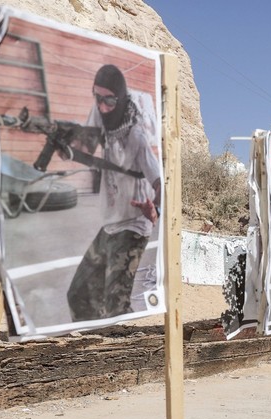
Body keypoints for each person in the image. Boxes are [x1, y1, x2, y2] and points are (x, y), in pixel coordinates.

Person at [66, 64, 162, 321]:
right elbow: (85, 146)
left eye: (109, 99)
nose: (102, 106)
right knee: (78, 295)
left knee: (116, 305)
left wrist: (155, 208)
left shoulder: (136, 137)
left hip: (133, 226)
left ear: (120, 99)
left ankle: (124, 352)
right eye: (97, 97)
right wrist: (63, 138)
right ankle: (91, 347)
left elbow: (159, 182)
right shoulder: (98, 113)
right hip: (110, 225)